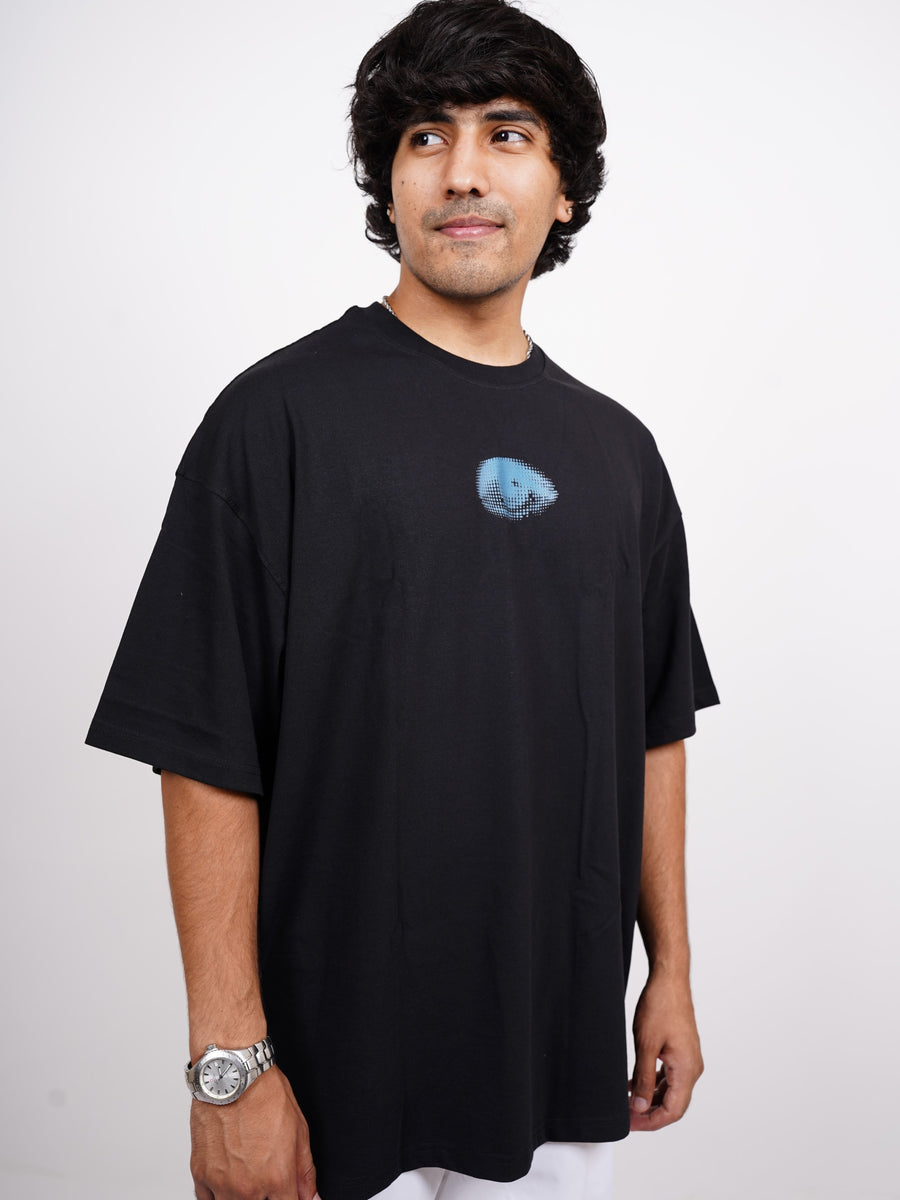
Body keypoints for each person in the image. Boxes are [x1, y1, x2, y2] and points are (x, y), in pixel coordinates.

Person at [86, 1, 719, 1197]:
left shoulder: (620, 455)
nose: (463, 171)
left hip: (558, 1066)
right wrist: (229, 1069)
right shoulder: (274, 421)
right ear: (390, 182)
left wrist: (671, 972)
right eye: (426, 136)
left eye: (507, 133)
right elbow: (203, 752)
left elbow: (655, 731)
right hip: (332, 1083)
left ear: (564, 190)